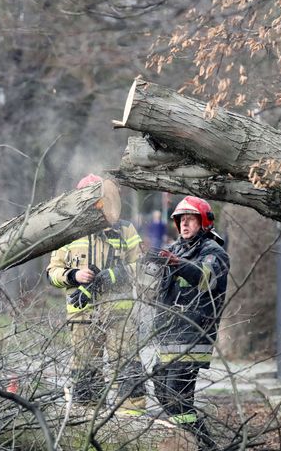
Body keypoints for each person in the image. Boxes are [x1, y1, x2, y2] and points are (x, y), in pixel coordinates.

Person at [45, 174, 147, 414]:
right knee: (85, 369)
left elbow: (143, 267)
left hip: (119, 314)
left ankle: (133, 420)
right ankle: (87, 420)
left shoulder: (124, 229)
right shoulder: (68, 232)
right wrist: (74, 276)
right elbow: (52, 272)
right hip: (82, 315)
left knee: (127, 364)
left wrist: (114, 275)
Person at [145, 196, 228, 450]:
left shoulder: (214, 252)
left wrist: (175, 263)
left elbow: (206, 279)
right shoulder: (177, 249)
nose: (184, 224)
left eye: (190, 219)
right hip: (170, 334)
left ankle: (205, 445)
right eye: (181, 220)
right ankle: (192, 440)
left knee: (176, 396)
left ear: (203, 222)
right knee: (161, 388)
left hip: (194, 333)